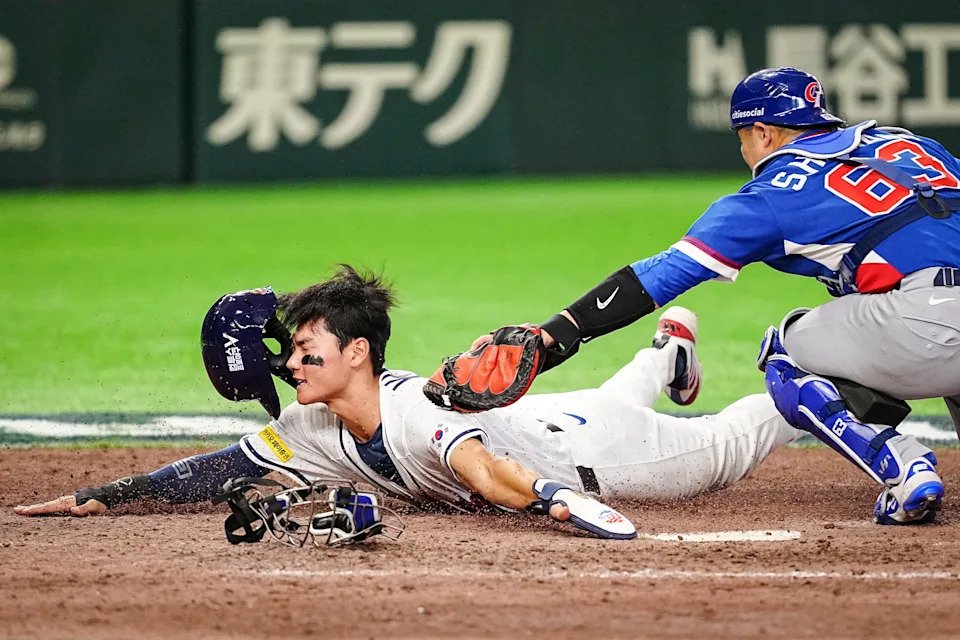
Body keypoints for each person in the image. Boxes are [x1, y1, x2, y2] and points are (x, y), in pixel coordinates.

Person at [433, 67, 959, 525]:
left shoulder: (772, 194)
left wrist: (557, 334)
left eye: (743, 137)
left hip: (925, 320)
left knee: (786, 352)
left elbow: (662, 274)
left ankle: (903, 465)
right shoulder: (910, 146)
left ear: (763, 132)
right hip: (934, 317)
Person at [14, 266, 801, 540]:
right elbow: (221, 470)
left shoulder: (415, 410)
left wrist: (552, 498)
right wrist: (104, 494)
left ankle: (808, 378)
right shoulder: (312, 425)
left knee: (733, 443)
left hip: (605, 458)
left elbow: (485, 473)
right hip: (559, 414)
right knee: (609, 395)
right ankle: (667, 352)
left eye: (306, 346)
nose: (291, 360)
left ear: (357, 352)